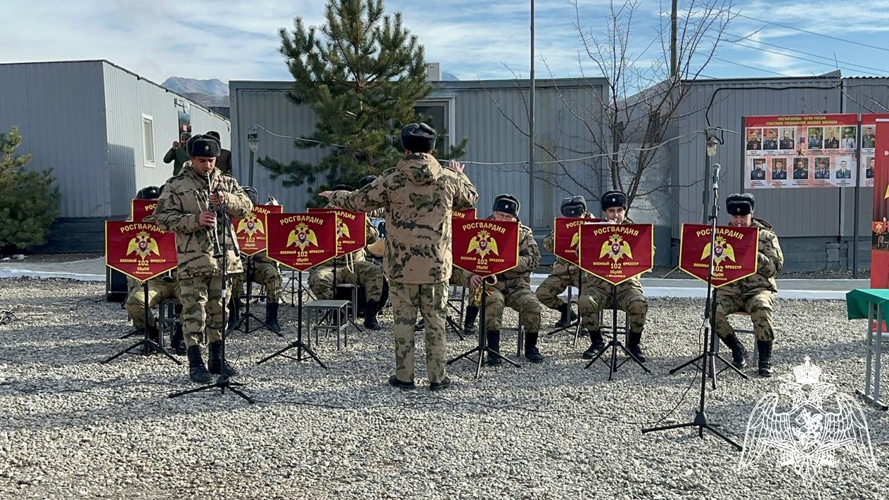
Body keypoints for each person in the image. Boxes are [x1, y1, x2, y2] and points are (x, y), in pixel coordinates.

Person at [320, 123, 478, 391]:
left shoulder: (391, 179)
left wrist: (334, 196)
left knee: (403, 324)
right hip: (436, 267)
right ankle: (437, 378)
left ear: (405, 149)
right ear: (432, 148)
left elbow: (358, 202)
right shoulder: (448, 179)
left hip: (401, 267)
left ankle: (404, 377)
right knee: (435, 322)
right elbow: (471, 199)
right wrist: (460, 175)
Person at [150, 134, 253, 384]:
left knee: (220, 309)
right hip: (193, 260)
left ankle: (217, 358)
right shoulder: (176, 185)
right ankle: (195, 362)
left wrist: (226, 200)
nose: (208, 166)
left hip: (224, 260)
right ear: (192, 159)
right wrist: (194, 221)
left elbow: (247, 207)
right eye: (202, 161)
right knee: (194, 311)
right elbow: (161, 218)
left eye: (211, 160)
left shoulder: (227, 182)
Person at [463, 194, 545, 364]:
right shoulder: (480, 231)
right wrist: (470, 275)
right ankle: (493, 351)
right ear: (494, 213)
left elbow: (534, 260)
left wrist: (510, 261)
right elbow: (465, 258)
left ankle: (531, 347)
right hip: (491, 285)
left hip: (518, 286)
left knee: (533, 306)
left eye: (509, 217)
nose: (505, 219)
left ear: (515, 218)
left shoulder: (523, 234)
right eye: (501, 215)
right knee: (493, 303)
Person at [715, 193, 784, 377]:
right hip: (729, 291)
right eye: (735, 217)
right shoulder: (719, 235)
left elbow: (775, 268)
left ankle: (764, 359)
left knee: (761, 307)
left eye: (743, 217)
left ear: (751, 214)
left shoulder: (766, 236)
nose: (738, 221)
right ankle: (737, 349)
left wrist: (754, 254)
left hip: (757, 290)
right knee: (712, 311)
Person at [577, 191, 649, 361]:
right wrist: (600, 234)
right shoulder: (592, 231)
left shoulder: (636, 232)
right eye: (611, 211)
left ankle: (633, 345)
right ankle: (596, 342)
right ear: (605, 213)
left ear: (625, 211)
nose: (616, 215)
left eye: (619, 210)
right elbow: (580, 254)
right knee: (584, 301)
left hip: (627, 287)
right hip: (599, 287)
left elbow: (648, 255)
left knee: (639, 304)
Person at [309, 183, 386, 330]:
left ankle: (370, 316)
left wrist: (362, 223)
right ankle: (338, 313)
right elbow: (315, 239)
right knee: (317, 279)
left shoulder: (358, 213)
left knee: (375, 272)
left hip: (355, 264)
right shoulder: (325, 214)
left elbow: (373, 239)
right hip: (330, 265)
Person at [124, 186, 185, 355]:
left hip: (182, 276)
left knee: (196, 300)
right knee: (135, 303)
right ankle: (152, 334)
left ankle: (181, 336)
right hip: (155, 278)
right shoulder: (135, 220)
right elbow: (123, 241)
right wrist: (140, 224)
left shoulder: (179, 217)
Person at [228, 186, 284, 333]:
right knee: (233, 276)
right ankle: (233, 316)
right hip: (240, 262)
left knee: (273, 276)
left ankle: (272, 319)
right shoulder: (230, 216)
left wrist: (275, 214)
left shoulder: (265, 216)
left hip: (262, 262)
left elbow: (279, 236)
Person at [536, 196, 591, 328]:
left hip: (585, 273)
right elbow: (547, 245)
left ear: (584, 213)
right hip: (563, 270)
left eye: (577, 217)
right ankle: (566, 310)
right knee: (542, 293)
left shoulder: (595, 225)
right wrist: (560, 234)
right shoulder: (561, 225)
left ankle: (588, 324)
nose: (573, 220)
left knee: (589, 296)